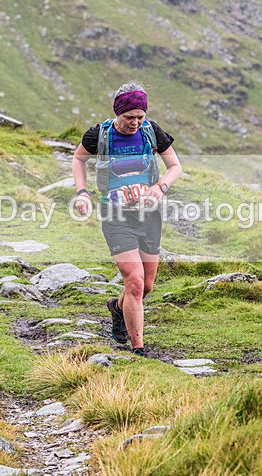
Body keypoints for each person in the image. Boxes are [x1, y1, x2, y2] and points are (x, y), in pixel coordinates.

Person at [72, 82, 182, 357]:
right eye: (129, 117)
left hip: (149, 215)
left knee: (146, 286)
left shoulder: (151, 131)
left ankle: (118, 307)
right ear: (118, 114)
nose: (135, 123)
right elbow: (78, 160)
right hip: (115, 214)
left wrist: (159, 188)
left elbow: (175, 166)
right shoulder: (100, 134)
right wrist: (82, 193)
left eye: (140, 117)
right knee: (134, 281)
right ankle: (138, 348)